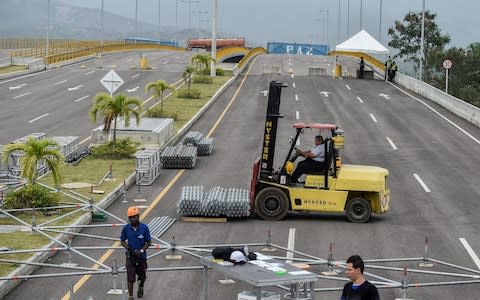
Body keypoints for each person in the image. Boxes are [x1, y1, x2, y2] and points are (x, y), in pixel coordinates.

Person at [121, 206, 152, 300]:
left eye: (135, 217)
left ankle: (141, 285)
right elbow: (122, 241)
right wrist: (130, 249)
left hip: (141, 257)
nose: (133, 219)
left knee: (143, 276)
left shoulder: (144, 228)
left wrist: (141, 250)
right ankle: (130, 296)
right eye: (131, 217)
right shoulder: (126, 228)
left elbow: (149, 242)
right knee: (130, 278)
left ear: (138, 216)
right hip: (131, 257)